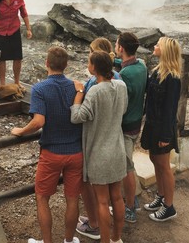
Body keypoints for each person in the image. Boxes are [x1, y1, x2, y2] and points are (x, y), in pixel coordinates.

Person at [11, 46, 82, 243]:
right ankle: (69, 240)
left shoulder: (40, 89)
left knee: (42, 197)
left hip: (52, 153)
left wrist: (21, 131)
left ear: (47, 64)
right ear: (66, 65)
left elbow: (39, 122)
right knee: (73, 198)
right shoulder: (76, 87)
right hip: (76, 152)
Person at [71, 51, 128, 243]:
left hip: (99, 154)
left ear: (94, 67)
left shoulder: (95, 90)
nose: (87, 64)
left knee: (102, 201)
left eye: (89, 62)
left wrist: (79, 94)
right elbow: (124, 109)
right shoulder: (121, 85)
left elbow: (77, 117)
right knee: (117, 198)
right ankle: (116, 239)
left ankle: (104, 241)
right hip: (117, 149)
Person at [140, 36, 182, 222]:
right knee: (154, 159)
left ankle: (169, 206)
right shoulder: (157, 71)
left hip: (162, 128)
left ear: (165, 50)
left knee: (164, 166)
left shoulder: (172, 78)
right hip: (152, 124)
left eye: (158, 44)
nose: (155, 46)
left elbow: (170, 109)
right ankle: (161, 196)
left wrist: (166, 135)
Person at [114, 32, 147, 223]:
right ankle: (130, 199)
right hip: (137, 123)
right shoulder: (141, 65)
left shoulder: (124, 75)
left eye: (116, 45)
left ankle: (130, 207)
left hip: (125, 126)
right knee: (128, 162)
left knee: (127, 167)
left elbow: (121, 102)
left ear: (121, 48)